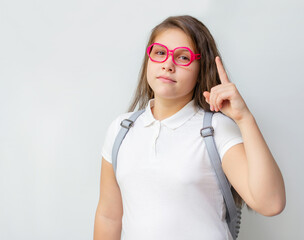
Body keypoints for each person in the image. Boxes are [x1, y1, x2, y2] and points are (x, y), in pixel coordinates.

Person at [93, 15, 286, 240]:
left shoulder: (215, 129)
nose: (168, 64)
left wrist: (245, 119)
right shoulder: (121, 129)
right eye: (159, 53)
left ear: (200, 69)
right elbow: (109, 216)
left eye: (183, 57)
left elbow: (271, 203)